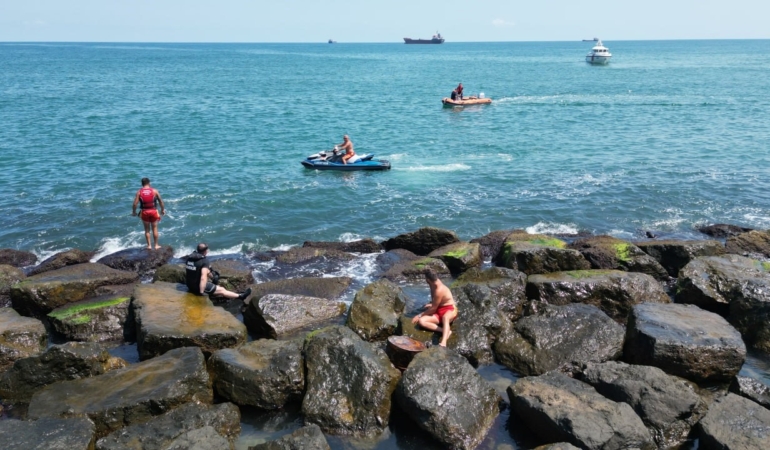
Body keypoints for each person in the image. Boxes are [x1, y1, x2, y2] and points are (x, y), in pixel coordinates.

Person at [185, 243, 252, 302]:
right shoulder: (204, 261)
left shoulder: (190, 258)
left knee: (210, 276)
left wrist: (212, 276)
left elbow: (194, 270)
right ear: (205, 251)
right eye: (207, 250)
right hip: (197, 288)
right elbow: (203, 277)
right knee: (222, 290)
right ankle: (241, 296)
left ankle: (215, 285)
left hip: (189, 285)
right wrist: (201, 293)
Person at [411, 268, 458, 347]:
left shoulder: (439, 289)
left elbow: (433, 310)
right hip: (439, 310)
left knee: (445, 318)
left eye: (426, 278)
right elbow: (434, 300)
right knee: (422, 321)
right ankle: (445, 331)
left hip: (450, 309)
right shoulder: (433, 283)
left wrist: (419, 315)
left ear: (428, 279)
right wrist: (433, 304)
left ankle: (444, 342)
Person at [132, 177, 166, 250]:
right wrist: (162, 210)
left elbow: (135, 204)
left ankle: (149, 246)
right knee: (155, 228)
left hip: (144, 212)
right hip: (153, 211)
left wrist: (134, 212)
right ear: (149, 183)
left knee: (147, 229)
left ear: (142, 184)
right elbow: (161, 201)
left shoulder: (139, 192)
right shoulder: (154, 191)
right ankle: (156, 245)